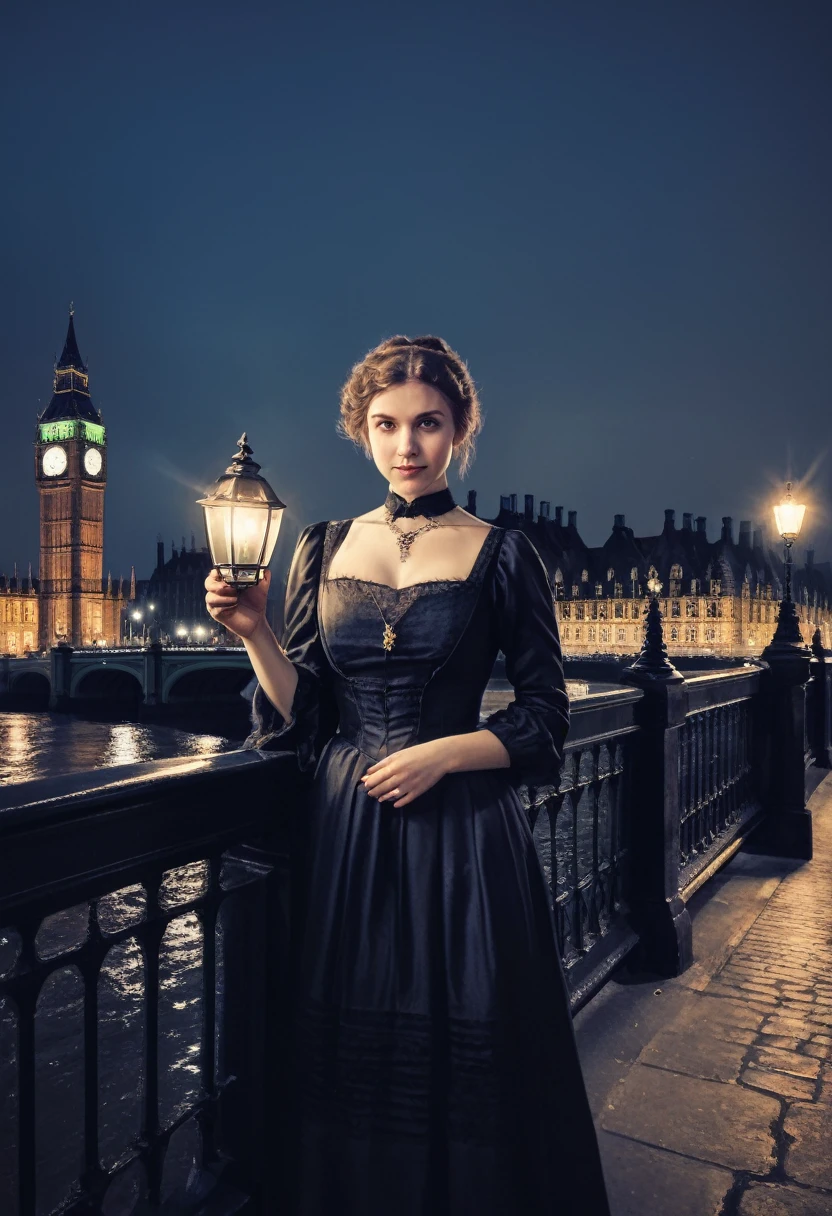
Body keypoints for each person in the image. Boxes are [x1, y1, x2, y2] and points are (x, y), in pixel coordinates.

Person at [204, 335, 611, 1216]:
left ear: (460, 430)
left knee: (461, 1042)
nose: (407, 445)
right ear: (363, 431)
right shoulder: (321, 546)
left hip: (461, 834)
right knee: (352, 1054)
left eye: (428, 423)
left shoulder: (505, 555)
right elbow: (302, 713)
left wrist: (446, 751)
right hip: (346, 834)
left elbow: (546, 718)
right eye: (386, 425)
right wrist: (255, 633)